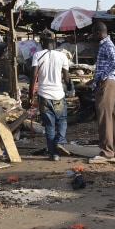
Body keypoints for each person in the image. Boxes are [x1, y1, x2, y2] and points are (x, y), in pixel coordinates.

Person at [30, 30, 71, 161]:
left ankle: (54, 154)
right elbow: (66, 78)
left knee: (49, 125)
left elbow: (33, 77)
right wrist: (70, 88)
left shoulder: (37, 55)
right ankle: (60, 141)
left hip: (44, 96)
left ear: (42, 42)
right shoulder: (62, 56)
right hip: (58, 95)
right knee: (62, 120)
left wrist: (30, 95)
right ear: (54, 42)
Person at [89, 22, 115, 163]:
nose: (93, 37)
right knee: (110, 117)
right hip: (108, 83)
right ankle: (114, 148)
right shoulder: (105, 44)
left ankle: (107, 151)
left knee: (104, 117)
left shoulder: (107, 44)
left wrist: (103, 77)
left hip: (107, 83)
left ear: (98, 33)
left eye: (93, 34)